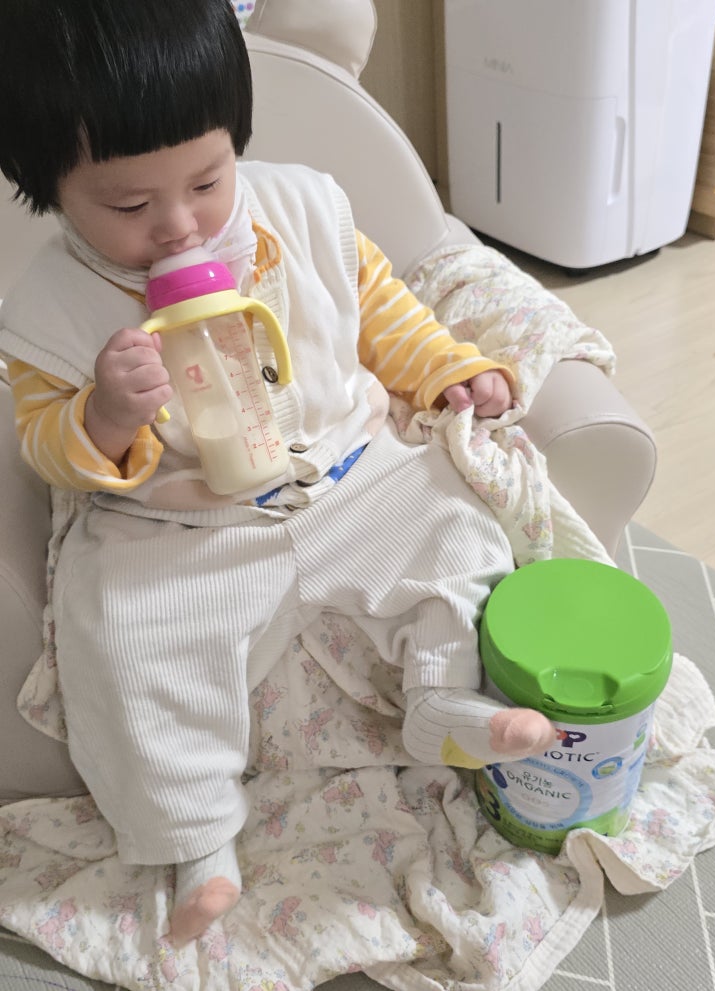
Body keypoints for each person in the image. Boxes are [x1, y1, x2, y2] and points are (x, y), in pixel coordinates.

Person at [0, 0, 555, 946]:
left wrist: (446, 369)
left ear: (236, 140)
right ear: (47, 187)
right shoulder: (51, 303)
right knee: (117, 633)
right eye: (129, 207)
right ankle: (195, 840)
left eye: (206, 181)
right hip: (180, 525)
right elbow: (43, 439)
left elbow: (379, 311)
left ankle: (440, 702)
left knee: (459, 525)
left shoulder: (298, 211)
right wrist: (103, 414)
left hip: (345, 471)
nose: (178, 226)